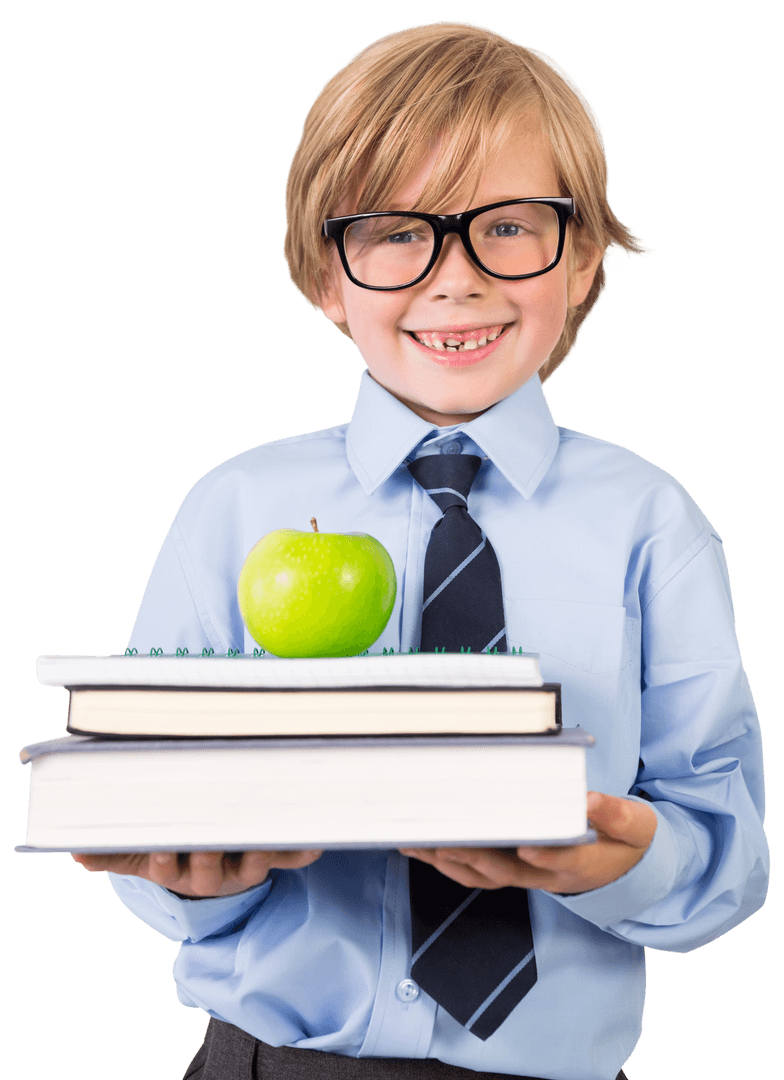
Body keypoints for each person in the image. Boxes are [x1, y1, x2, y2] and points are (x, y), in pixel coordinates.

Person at [71, 20, 768, 1080]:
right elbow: (145, 800)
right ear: (323, 273)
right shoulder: (235, 505)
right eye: (396, 232)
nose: (455, 278)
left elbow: (723, 845)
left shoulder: (651, 521)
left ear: (580, 258)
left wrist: (611, 864)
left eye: (509, 226)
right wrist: (192, 874)